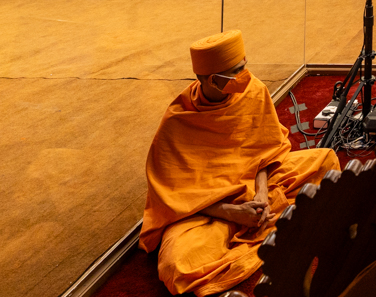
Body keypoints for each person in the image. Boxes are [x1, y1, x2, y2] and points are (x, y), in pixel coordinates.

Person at [140, 30, 339, 297]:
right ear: (213, 80)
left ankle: (263, 215)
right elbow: (173, 195)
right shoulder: (178, 120)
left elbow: (266, 150)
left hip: (258, 188)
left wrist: (261, 195)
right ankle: (266, 222)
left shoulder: (253, 89)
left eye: (245, 66)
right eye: (238, 71)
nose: (246, 76)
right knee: (177, 264)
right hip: (206, 212)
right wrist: (232, 213)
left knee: (325, 160)